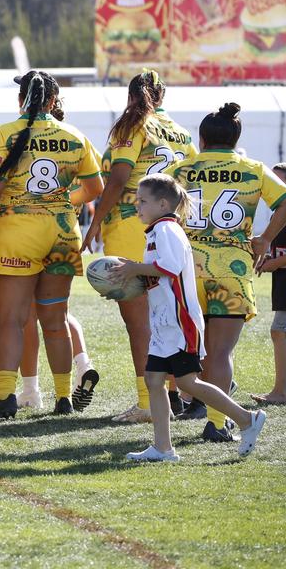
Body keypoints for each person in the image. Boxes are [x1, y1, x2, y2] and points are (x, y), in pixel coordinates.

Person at [0, 70, 103, 420]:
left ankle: (5, 397)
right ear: (53, 101)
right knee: (55, 319)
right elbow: (94, 189)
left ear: (21, 100)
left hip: (18, 233)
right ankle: (63, 398)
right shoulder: (74, 134)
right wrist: (59, 202)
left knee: (12, 322)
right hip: (62, 232)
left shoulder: (6, 133)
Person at [113, 174, 267, 461]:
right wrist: (126, 283)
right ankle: (163, 448)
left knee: (187, 383)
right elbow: (160, 278)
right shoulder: (157, 230)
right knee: (154, 379)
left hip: (179, 321)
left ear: (162, 204)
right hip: (165, 323)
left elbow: (169, 267)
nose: (138, 207)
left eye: (143, 201)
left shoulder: (167, 230)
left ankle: (247, 419)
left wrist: (135, 268)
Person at [164, 103, 286, 441]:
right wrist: (264, 239)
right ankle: (216, 423)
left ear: (201, 139)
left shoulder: (181, 168)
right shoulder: (253, 168)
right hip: (231, 270)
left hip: (187, 269)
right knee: (220, 353)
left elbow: (151, 206)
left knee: (184, 349)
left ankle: (172, 409)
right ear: (236, 139)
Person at [81, 69, 195, 422]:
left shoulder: (132, 125)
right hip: (172, 226)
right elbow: (187, 182)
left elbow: (117, 178)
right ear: (162, 97)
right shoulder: (179, 131)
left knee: (139, 322)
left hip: (134, 224)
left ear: (131, 97)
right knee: (167, 314)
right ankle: (173, 396)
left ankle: (149, 402)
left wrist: (96, 221)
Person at [253, 162, 286, 406]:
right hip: (282, 284)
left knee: (280, 331)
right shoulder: (278, 214)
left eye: (279, 181)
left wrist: (274, 264)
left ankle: (280, 392)